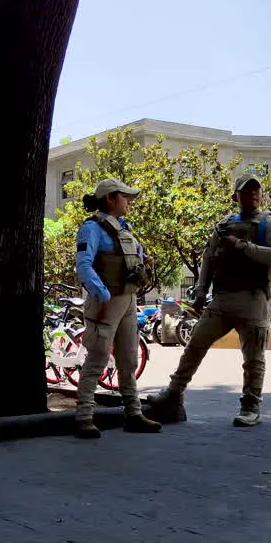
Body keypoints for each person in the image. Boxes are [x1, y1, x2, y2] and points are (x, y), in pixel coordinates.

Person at [148, 175, 271, 427]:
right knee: (195, 345)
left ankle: (251, 405)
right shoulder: (224, 225)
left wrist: (242, 246)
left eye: (257, 190)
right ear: (235, 196)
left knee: (253, 357)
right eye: (246, 191)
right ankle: (173, 392)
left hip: (254, 298)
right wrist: (201, 290)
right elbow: (208, 258)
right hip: (222, 298)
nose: (253, 194)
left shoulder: (269, 224)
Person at [72, 178, 163, 439]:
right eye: (124, 197)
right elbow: (84, 265)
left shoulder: (125, 229)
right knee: (98, 358)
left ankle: (133, 413)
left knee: (128, 359)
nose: (129, 201)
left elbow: (135, 258)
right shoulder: (91, 228)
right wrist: (101, 293)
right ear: (110, 199)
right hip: (106, 302)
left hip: (128, 300)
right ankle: (83, 417)